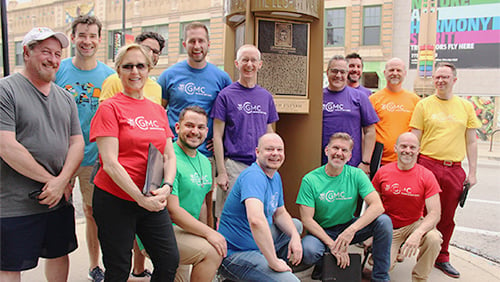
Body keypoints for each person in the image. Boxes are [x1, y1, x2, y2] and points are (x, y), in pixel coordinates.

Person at [0, 27, 84, 282]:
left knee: (59, 254)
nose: (53, 59)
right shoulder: (6, 90)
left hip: (58, 201)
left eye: (58, 54)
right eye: (46, 52)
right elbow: (7, 146)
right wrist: (54, 182)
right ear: (26, 52)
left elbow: (77, 143)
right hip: (14, 203)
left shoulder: (66, 98)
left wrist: (63, 181)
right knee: (9, 265)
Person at [89, 44, 179, 281]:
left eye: (140, 65)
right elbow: (109, 162)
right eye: (128, 66)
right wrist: (140, 199)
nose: (135, 72)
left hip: (151, 197)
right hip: (114, 200)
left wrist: (167, 188)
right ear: (118, 71)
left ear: (149, 69)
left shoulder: (157, 110)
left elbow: (169, 155)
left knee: (169, 260)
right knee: (118, 268)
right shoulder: (109, 108)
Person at [54, 15, 114, 281]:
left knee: (91, 213)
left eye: (92, 36)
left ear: (100, 39)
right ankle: (58, 267)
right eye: (81, 35)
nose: (86, 41)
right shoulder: (59, 69)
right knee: (58, 212)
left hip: (93, 157)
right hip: (60, 157)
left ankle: (94, 265)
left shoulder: (109, 76)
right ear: (73, 38)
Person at [410, 62, 481, 278]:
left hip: (454, 169)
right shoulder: (423, 105)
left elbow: (471, 141)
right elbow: (414, 138)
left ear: (454, 80)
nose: (440, 81)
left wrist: (473, 172)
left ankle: (442, 257)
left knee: (447, 217)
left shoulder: (466, 107)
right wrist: (411, 169)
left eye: (445, 77)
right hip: (427, 165)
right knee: (418, 213)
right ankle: (411, 250)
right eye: (437, 77)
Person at [297, 132, 392, 282]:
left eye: (344, 150)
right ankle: (323, 264)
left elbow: (377, 206)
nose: (339, 153)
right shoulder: (310, 180)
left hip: (348, 226)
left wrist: (350, 231)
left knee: (384, 222)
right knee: (309, 251)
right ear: (327, 151)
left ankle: (380, 277)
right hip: (322, 231)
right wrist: (332, 244)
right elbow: (307, 220)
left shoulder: (356, 175)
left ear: (349, 156)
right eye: (335, 148)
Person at [218, 133, 303, 281]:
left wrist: (295, 236)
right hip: (236, 255)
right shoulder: (254, 176)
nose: (275, 154)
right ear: (257, 152)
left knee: (296, 226)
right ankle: (269, 269)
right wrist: (274, 262)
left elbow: (280, 212)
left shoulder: (274, 176)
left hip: (257, 246)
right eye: (269, 149)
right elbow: (256, 220)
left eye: (279, 150)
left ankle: (267, 270)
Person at [212, 44, 279, 220]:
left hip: (260, 166)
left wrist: (272, 161)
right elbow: (217, 135)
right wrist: (222, 171)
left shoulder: (266, 97)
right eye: (245, 60)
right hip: (234, 166)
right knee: (229, 215)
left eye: (253, 60)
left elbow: (269, 131)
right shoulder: (225, 95)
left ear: (260, 64)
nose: (249, 64)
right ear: (237, 63)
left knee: (259, 215)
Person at [167, 105, 227, 282]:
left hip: (187, 231)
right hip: (162, 230)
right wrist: (209, 235)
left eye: (200, 127)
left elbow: (202, 204)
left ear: (206, 131)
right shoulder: (169, 156)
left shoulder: (205, 162)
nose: (195, 131)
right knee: (213, 252)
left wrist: (206, 231)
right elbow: (173, 210)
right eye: (189, 125)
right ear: (178, 128)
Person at [372, 132, 442, 281]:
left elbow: (435, 213)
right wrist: (371, 235)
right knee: (384, 267)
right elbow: (373, 205)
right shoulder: (382, 173)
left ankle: (420, 277)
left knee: (434, 238)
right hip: (389, 227)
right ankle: (381, 255)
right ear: (396, 148)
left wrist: (418, 233)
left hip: (414, 225)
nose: (408, 150)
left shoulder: (427, 175)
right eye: (403, 146)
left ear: (418, 150)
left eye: (412, 147)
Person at [158, 21, 232, 157]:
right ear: (184, 45)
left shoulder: (222, 78)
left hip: (206, 155)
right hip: (173, 153)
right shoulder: (168, 76)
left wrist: (221, 142)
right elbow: (157, 112)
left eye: (201, 41)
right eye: (192, 41)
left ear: (208, 44)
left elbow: (230, 116)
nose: (197, 46)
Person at [322, 55, 379, 174]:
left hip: (352, 165)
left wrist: (365, 162)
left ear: (347, 73)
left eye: (342, 72)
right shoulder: (318, 96)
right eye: (334, 71)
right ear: (327, 72)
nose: (338, 75)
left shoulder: (360, 97)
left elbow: (370, 131)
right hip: (322, 163)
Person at [369, 58, 420, 165]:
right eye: (391, 70)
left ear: (405, 73)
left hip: (406, 160)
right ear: (384, 73)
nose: (395, 73)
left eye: (398, 70)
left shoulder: (415, 100)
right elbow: (368, 132)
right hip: (380, 160)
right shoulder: (373, 99)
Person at [101, 31, 166, 105]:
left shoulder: (156, 88)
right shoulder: (114, 81)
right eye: (146, 48)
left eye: (155, 52)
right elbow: (105, 112)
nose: (150, 54)